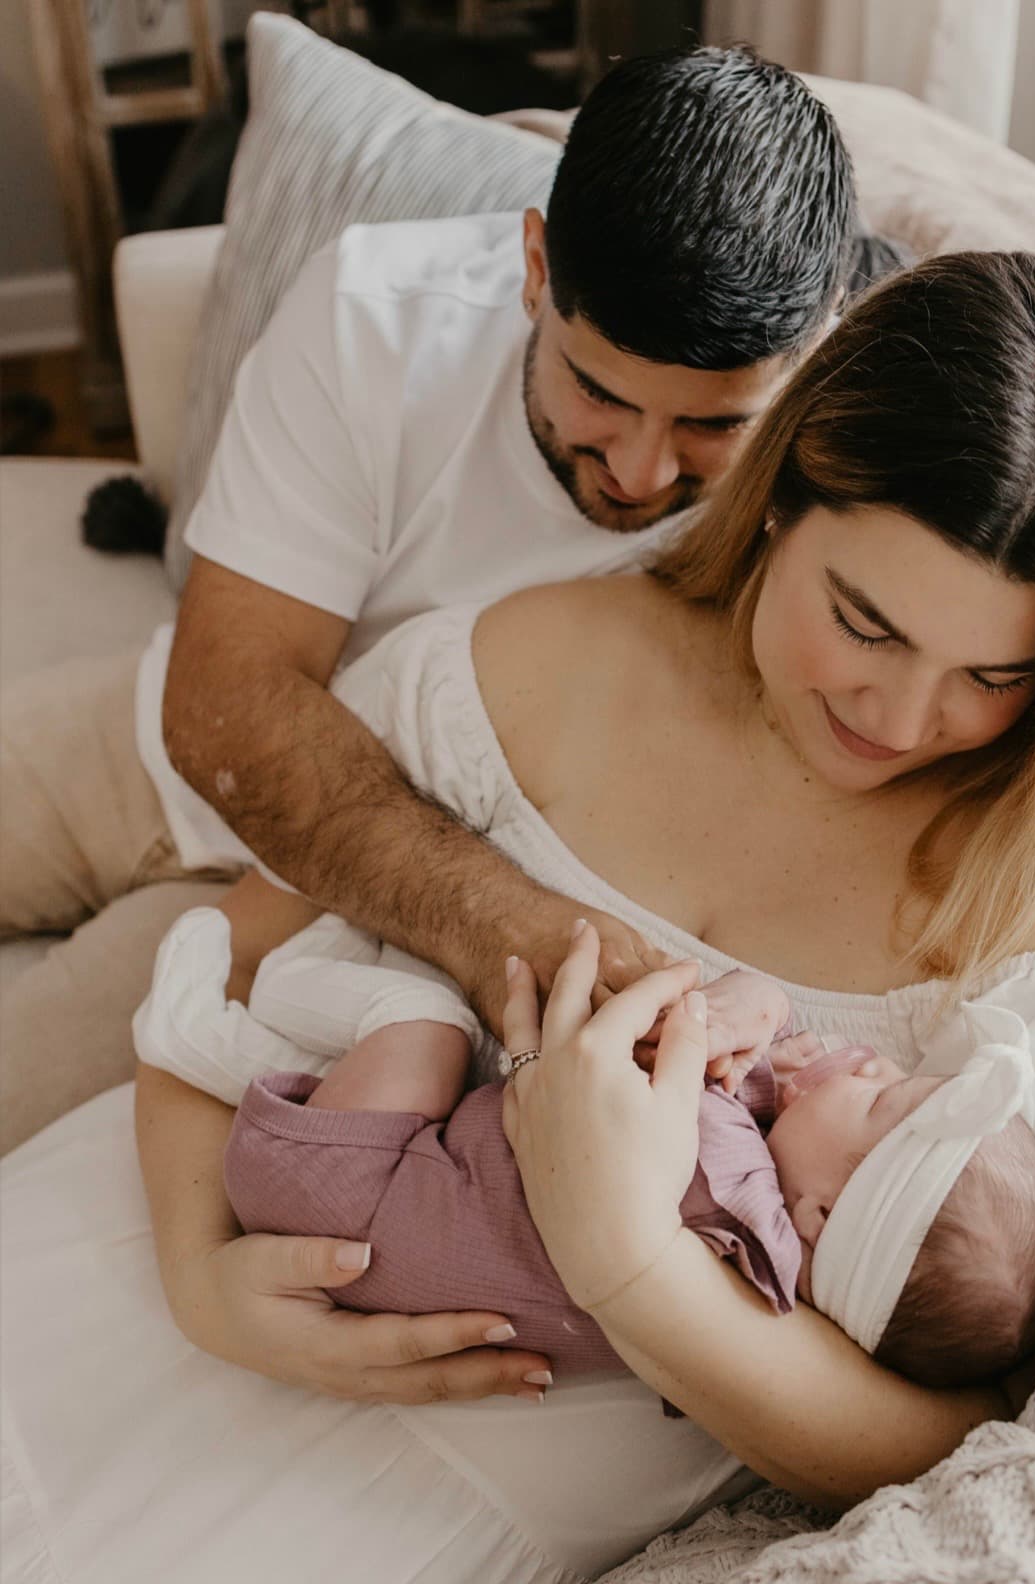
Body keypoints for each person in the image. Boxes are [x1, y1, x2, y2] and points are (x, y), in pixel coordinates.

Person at [5, 249, 1035, 1583]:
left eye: (992, 674)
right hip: (141, 1269)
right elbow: (240, 951)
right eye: (863, 621)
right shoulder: (527, 660)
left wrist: (627, 1264)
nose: (898, 720)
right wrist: (202, 1274)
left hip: (415, 1492)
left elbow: (957, 1427)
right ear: (782, 497)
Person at [0, 44, 872, 1151]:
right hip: (176, 751)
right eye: (598, 393)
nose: (644, 472)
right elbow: (227, 696)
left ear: (820, 341)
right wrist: (515, 925)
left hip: (339, 932)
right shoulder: (377, 315)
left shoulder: (855, 480)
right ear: (534, 265)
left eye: (711, 425)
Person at [136, 919, 1035, 1388]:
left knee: (426, 1017)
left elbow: (642, 1043)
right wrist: (791, 1060)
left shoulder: (713, 1169)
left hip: (342, 1191)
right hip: (342, 1238)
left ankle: (223, 1024)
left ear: (819, 1218)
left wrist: (743, 1010)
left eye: (877, 1100)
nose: (868, 1061)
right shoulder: (756, 1270)